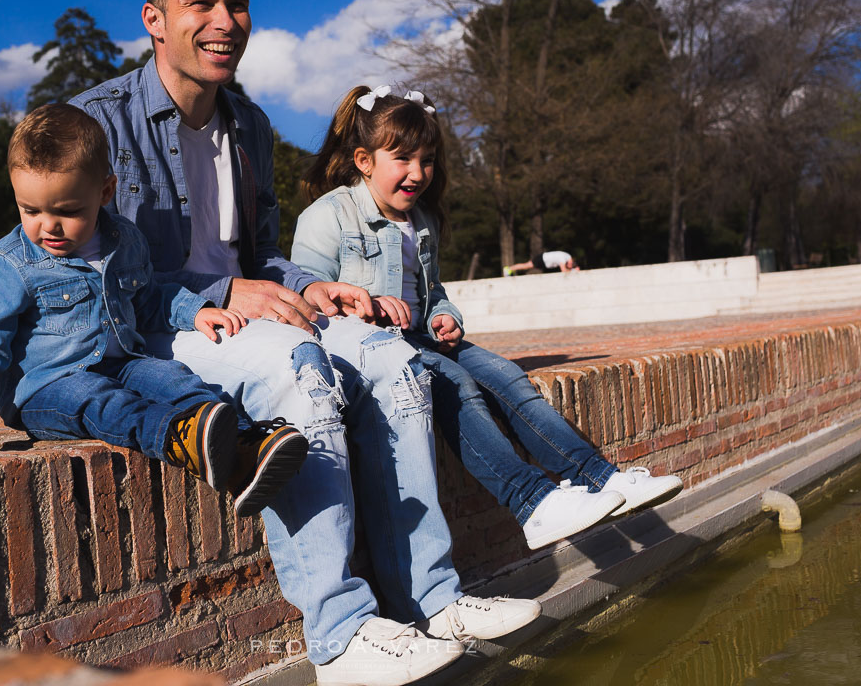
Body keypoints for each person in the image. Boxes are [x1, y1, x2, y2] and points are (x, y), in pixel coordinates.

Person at [69, 0, 539, 686]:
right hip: (165, 330)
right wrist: (225, 293)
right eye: (202, 4)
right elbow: (90, 281)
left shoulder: (247, 123)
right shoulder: (100, 122)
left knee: (393, 360)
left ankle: (431, 599)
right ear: (154, 18)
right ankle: (342, 636)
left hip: (249, 311)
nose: (225, 21)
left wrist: (308, 284)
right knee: (303, 368)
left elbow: (260, 257)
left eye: (238, 3)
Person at [292, 85, 684, 551]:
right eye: (403, 159)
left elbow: (432, 290)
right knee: (455, 384)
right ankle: (532, 503)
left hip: (423, 338)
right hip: (373, 352)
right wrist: (366, 304)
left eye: (428, 160)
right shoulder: (329, 215)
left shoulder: (421, 222)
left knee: (506, 376)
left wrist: (444, 315)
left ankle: (601, 478)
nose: (418, 173)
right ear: (364, 160)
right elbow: (308, 299)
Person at [0, 104, 307, 518]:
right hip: (46, 388)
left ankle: (245, 443)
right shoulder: (13, 261)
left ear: (105, 192)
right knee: (98, 399)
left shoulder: (124, 240)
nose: (47, 226)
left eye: (68, 211)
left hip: (121, 362)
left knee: (170, 375)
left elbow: (148, 297)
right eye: (30, 210)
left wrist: (193, 311)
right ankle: (180, 438)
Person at [504, 250, 578, 276]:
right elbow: (564, 271)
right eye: (571, 266)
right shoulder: (563, 258)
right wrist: (573, 271)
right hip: (542, 259)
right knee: (527, 265)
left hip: (543, 260)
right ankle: (509, 269)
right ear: (570, 262)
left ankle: (509, 269)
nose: (569, 267)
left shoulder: (567, 256)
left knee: (527, 265)